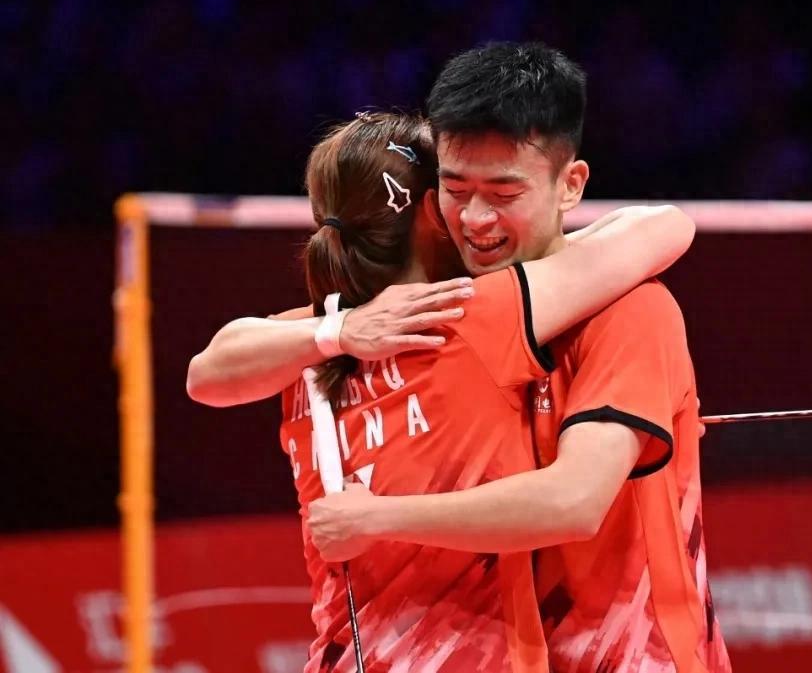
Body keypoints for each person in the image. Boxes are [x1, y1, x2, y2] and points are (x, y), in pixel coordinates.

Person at [188, 109, 696, 672]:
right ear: (434, 210)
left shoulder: (303, 352)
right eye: (455, 192)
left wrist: (338, 331)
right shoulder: (474, 315)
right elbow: (665, 229)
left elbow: (204, 374)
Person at [308, 42, 731, 672]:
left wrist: (374, 518)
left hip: (637, 658)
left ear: (571, 185)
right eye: (456, 190)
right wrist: (332, 335)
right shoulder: (445, 310)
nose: (475, 219)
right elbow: (216, 366)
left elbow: (575, 501)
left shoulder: (634, 312)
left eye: (504, 193)